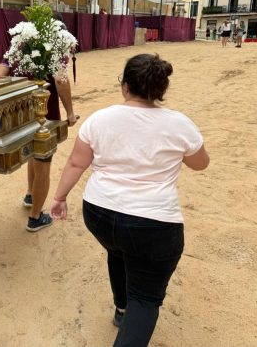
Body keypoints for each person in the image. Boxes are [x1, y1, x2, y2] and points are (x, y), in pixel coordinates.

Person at [50, 54, 210, 347]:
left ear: (125, 86)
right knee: (146, 299)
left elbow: (75, 163)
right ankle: (128, 308)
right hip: (154, 224)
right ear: (161, 90)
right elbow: (200, 164)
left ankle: (122, 307)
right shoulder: (179, 124)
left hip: (100, 213)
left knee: (118, 251)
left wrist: (59, 197)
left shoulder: (99, 118)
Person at [0, 64, 78, 232]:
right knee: (43, 158)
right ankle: (35, 217)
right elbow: (60, 80)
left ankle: (30, 195)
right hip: (45, 114)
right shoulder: (54, 40)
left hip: (21, 114)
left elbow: (2, 71)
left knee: (33, 153)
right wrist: (70, 113)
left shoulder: (17, 41)